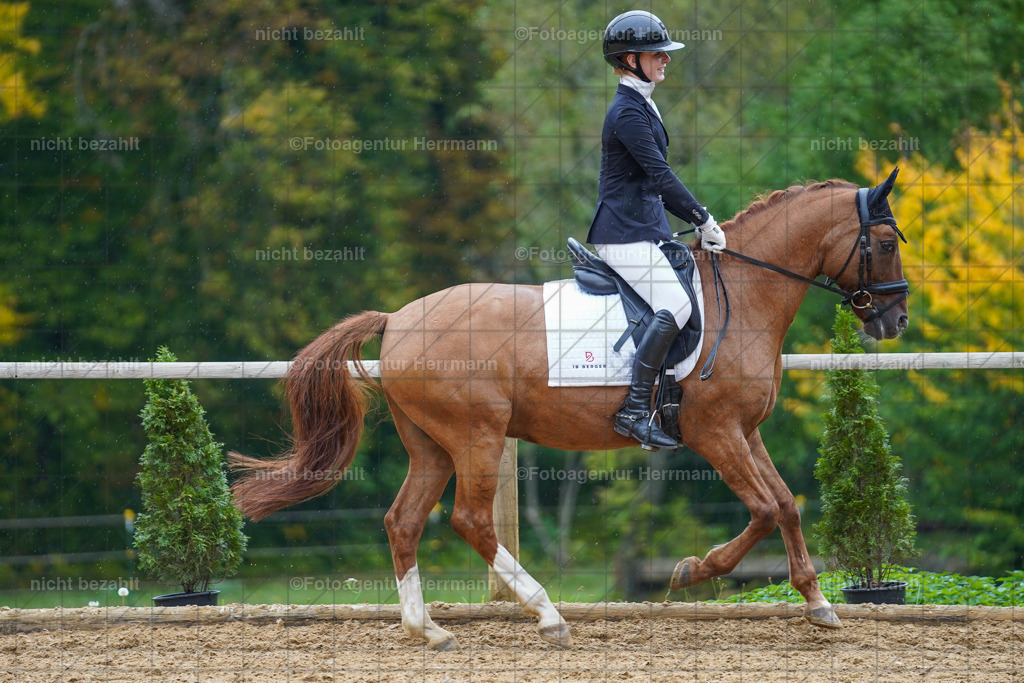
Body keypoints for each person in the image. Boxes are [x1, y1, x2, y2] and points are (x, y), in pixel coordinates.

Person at [587, 10, 726, 451]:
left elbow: (654, 185)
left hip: (644, 228)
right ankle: (632, 410)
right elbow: (661, 177)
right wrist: (702, 219)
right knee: (677, 305)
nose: (666, 60)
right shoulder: (626, 112)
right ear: (630, 59)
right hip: (622, 233)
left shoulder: (643, 101)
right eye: (656, 54)